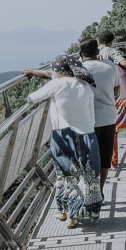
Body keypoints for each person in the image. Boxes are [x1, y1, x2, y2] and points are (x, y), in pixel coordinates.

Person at [23, 55, 102, 228]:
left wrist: (33, 75)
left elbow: (31, 98)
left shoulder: (56, 84)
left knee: (66, 173)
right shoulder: (85, 86)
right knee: (87, 175)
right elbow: (92, 116)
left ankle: (68, 212)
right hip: (88, 135)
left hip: (64, 135)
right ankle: (86, 211)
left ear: (58, 71)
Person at [78, 38, 119, 191]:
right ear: (98, 51)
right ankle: (99, 191)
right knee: (105, 158)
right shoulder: (110, 66)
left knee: (86, 158)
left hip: (86, 120)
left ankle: (88, 190)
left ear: (81, 53)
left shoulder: (78, 69)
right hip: (108, 117)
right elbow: (117, 88)